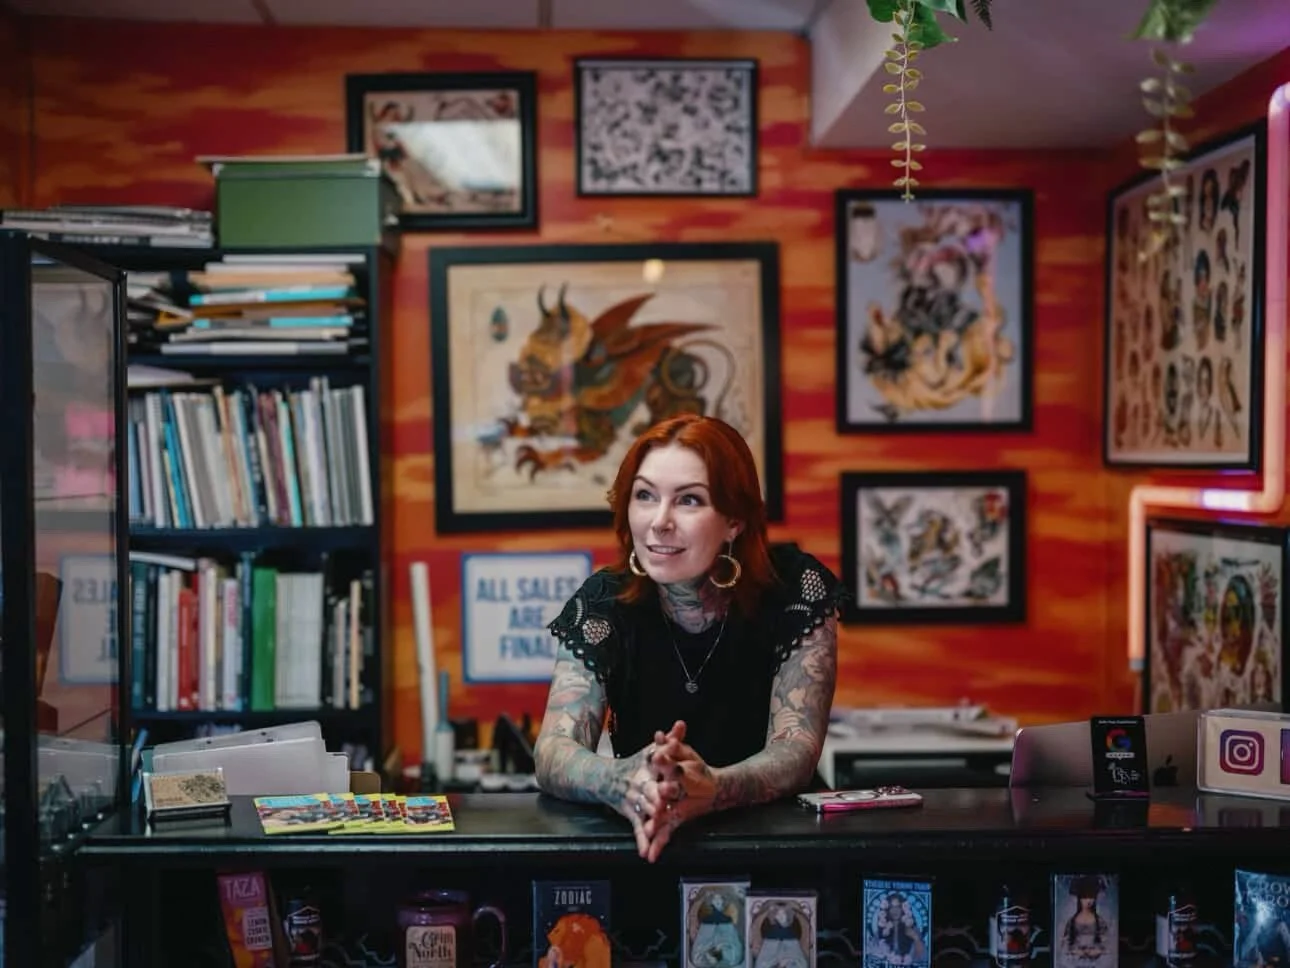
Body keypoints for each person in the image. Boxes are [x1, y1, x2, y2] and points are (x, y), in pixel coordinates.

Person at [533, 414, 845, 863]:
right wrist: (622, 780)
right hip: (649, 847)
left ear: (734, 520)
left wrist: (712, 788)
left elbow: (796, 748)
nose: (660, 522)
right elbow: (552, 750)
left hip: (779, 851)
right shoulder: (603, 603)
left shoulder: (795, 588)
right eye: (645, 495)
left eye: (689, 500)